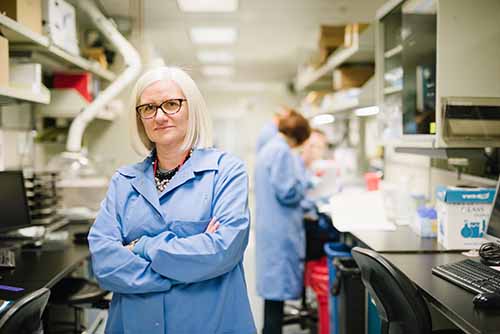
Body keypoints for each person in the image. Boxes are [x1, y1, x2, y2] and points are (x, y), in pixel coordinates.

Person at [88, 66, 255, 334]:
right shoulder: (124, 181)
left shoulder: (226, 171)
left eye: (171, 104)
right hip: (135, 324)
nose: (160, 116)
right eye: (149, 108)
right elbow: (105, 263)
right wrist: (189, 267)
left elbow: (223, 249)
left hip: (208, 323)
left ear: (192, 108)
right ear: (140, 117)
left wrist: (140, 247)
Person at [254, 110, 311, 334]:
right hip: (280, 231)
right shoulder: (282, 151)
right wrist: (303, 183)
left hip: (270, 227)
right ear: (299, 137)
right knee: (275, 296)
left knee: (273, 297)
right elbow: (287, 192)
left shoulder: (270, 148)